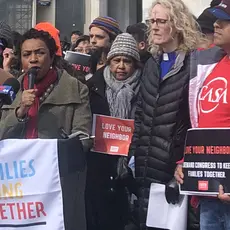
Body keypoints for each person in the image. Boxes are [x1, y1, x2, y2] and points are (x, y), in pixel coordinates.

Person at [0, 28, 92, 230]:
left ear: (51, 56)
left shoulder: (76, 89)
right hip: (18, 187)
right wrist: (19, 111)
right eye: (26, 54)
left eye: (39, 53)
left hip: (58, 187)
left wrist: (54, 152)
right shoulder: (10, 90)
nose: (33, 59)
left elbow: (83, 138)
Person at [127, 0, 204, 229]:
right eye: (152, 22)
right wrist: (131, 156)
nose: (155, 27)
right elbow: (140, 113)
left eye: (162, 21)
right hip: (145, 164)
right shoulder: (151, 63)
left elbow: (195, 121)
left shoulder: (194, 63)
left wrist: (185, 165)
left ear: (178, 24)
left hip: (175, 167)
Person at [175, 1, 230, 230]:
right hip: (210, 191)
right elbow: (198, 122)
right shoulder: (209, 64)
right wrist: (187, 161)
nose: (215, 24)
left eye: (224, 21)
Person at [85, 33, 142, 230]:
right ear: (109, 61)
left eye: (127, 61)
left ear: (135, 64)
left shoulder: (145, 88)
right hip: (101, 167)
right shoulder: (93, 87)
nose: (121, 66)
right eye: (116, 60)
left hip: (134, 164)